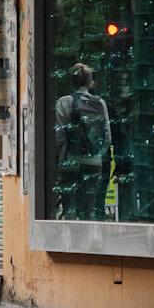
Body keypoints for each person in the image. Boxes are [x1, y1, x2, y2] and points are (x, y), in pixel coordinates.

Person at [54, 62, 113, 221]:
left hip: (70, 164)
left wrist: (63, 158)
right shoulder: (100, 103)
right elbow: (107, 137)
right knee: (88, 209)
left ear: (72, 82)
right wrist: (97, 155)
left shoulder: (63, 102)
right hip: (94, 163)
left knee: (70, 210)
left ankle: (71, 243)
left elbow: (58, 137)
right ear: (90, 82)